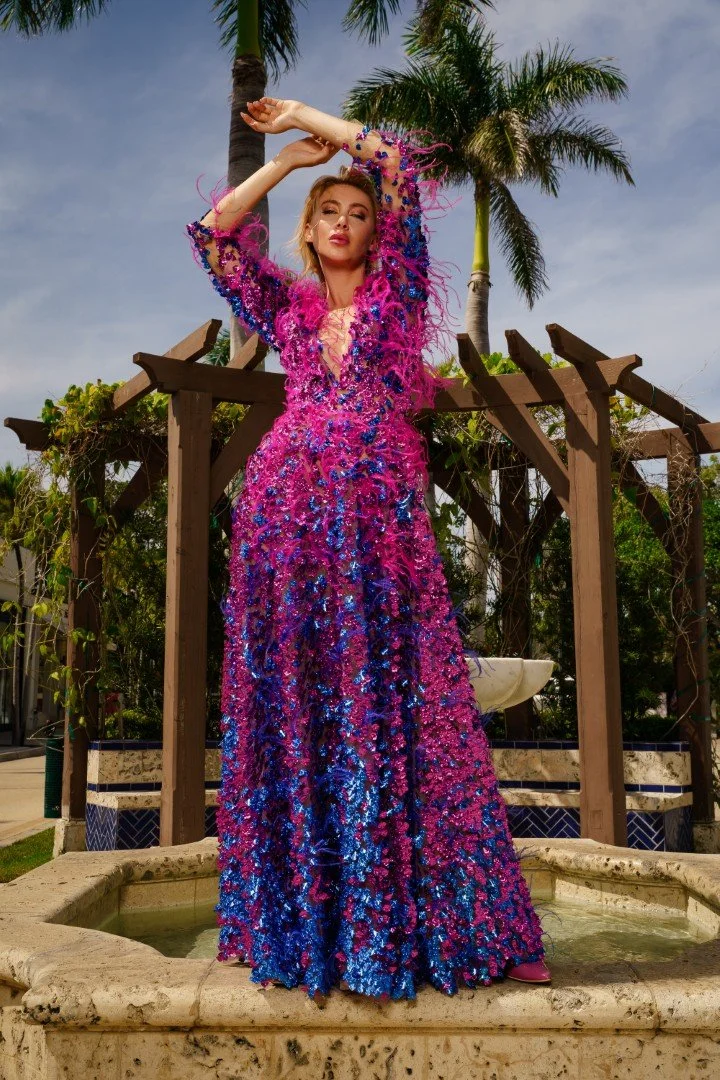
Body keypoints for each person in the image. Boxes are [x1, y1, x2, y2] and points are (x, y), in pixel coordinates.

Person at [187, 97, 550, 1001]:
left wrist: (303, 117)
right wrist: (284, 165)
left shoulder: (397, 294)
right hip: (284, 525)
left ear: (374, 233)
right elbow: (214, 236)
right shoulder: (285, 306)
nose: (345, 223)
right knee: (297, 707)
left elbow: (399, 165)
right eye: (329, 213)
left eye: (357, 213)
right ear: (310, 232)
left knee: (417, 709)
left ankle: (451, 927)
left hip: (379, 528)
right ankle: (301, 929)